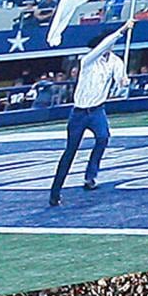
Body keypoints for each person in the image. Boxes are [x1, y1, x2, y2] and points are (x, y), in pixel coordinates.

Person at [50, 30, 124, 207]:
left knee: (103, 137)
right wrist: (122, 31)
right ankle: (55, 191)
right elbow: (104, 46)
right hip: (80, 113)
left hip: (97, 109)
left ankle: (91, 175)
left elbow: (120, 76)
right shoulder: (88, 60)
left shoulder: (115, 61)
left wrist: (123, 80)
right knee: (70, 151)